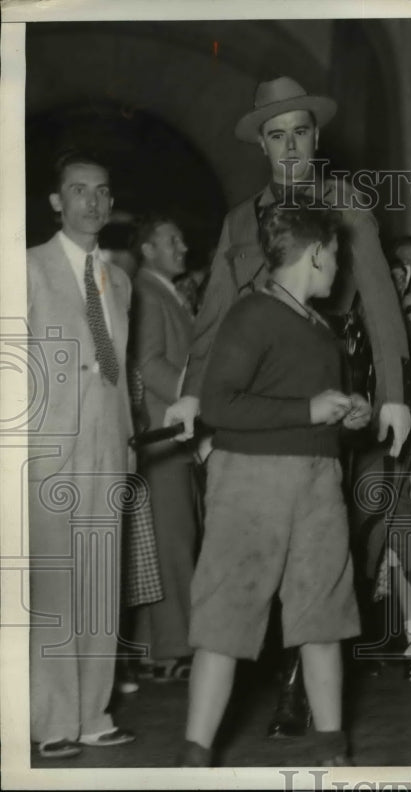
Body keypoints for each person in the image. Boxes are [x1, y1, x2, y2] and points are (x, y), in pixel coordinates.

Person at [162, 76, 411, 738]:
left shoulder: (347, 206)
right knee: (251, 560)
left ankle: (304, 690)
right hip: (255, 410)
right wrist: (190, 394)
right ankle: (274, 691)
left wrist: (394, 395)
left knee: (332, 556)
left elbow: (383, 304)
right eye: (278, 135)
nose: (291, 147)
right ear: (263, 147)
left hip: (338, 397)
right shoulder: (238, 222)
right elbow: (213, 318)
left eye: (301, 132)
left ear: (316, 138)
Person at [177, 204, 371, 767]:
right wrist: (310, 409)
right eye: (335, 253)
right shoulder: (252, 313)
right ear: (315, 254)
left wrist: (347, 412)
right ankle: (195, 757)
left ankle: (332, 750)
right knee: (226, 618)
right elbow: (220, 403)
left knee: (323, 615)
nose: (339, 264)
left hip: (318, 481)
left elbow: (306, 405)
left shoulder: (319, 324)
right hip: (252, 482)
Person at [26, 151, 137, 758]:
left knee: (100, 582)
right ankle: (52, 722)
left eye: (101, 191)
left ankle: (94, 713)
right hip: (47, 450)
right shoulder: (27, 269)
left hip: (106, 445)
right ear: (55, 202)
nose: (91, 203)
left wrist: (125, 440)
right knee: (52, 589)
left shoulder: (118, 279)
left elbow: (118, 373)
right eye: (77, 191)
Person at [130, 214, 199, 681]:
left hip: (174, 434)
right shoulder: (147, 293)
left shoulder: (164, 293)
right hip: (163, 432)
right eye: (171, 240)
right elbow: (150, 362)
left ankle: (157, 648)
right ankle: (172, 650)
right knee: (171, 541)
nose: (183, 247)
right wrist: (194, 399)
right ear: (147, 249)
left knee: (166, 543)